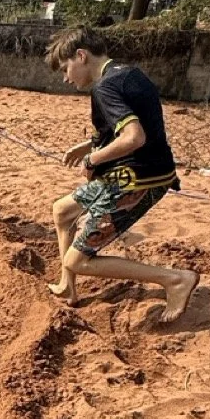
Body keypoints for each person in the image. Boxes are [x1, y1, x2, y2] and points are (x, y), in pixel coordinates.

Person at [46, 25, 198, 322]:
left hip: (136, 180)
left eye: (66, 69)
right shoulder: (129, 73)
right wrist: (87, 145)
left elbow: (133, 137)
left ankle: (175, 280)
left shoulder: (104, 87)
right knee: (62, 212)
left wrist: (91, 159)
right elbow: (133, 128)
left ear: (81, 55)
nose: (66, 78)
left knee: (78, 260)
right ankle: (68, 287)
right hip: (144, 170)